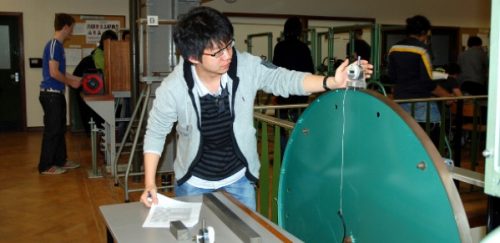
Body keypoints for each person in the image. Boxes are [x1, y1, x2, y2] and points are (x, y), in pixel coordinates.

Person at [139, 6, 372, 210]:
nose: (227, 56)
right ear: (193, 57)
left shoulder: (245, 66)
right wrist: (150, 182)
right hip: (194, 183)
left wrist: (331, 81)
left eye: (229, 45)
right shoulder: (173, 87)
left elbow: (284, 79)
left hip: (239, 180)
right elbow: (156, 133)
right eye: (217, 52)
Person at [388, 15, 453, 145]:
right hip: (422, 105)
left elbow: (392, 77)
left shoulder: (394, 49)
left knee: (407, 143)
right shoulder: (422, 50)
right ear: (424, 32)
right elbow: (428, 82)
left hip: (401, 102)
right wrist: (447, 95)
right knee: (431, 145)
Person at [38, 13, 82, 175]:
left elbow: (61, 72)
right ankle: (45, 166)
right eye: (71, 27)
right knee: (52, 130)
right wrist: (71, 82)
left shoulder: (59, 47)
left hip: (56, 94)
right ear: (65, 27)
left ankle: (60, 160)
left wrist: (76, 79)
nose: (72, 30)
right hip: (50, 95)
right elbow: (54, 73)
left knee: (60, 128)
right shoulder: (53, 45)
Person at [272, 17, 315, 155]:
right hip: (300, 98)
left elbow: (274, 72)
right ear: (299, 31)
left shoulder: (279, 47)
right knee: (300, 129)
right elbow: (310, 72)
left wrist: (274, 94)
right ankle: (298, 158)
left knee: (281, 129)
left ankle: (284, 159)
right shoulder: (304, 48)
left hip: (283, 97)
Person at [72, 30, 118, 134]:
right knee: (98, 124)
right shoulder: (89, 60)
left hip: (106, 97)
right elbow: (76, 79)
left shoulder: (116, 57)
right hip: (94, 99)